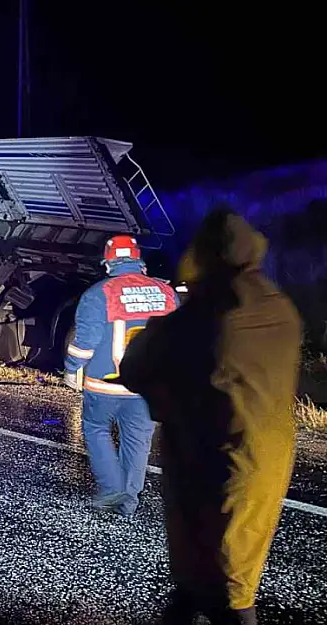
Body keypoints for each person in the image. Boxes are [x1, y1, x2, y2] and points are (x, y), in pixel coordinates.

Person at [118, 209, 301, 625]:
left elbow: (137, 366)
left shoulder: (203, 315)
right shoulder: (280, 307)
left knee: (222, 583)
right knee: (233, 568)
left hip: (206, 456)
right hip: (265, 456)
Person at [63, 234, 178, 517]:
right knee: (138, 441)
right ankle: (128, 504)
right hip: (148, 387)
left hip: (105, 384)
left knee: (96, 429)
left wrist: (71, 369)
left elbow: (84, 345)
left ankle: (112, 488)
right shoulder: (167, 294)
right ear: (140, 262)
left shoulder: (97, 295)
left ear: (108, 263)